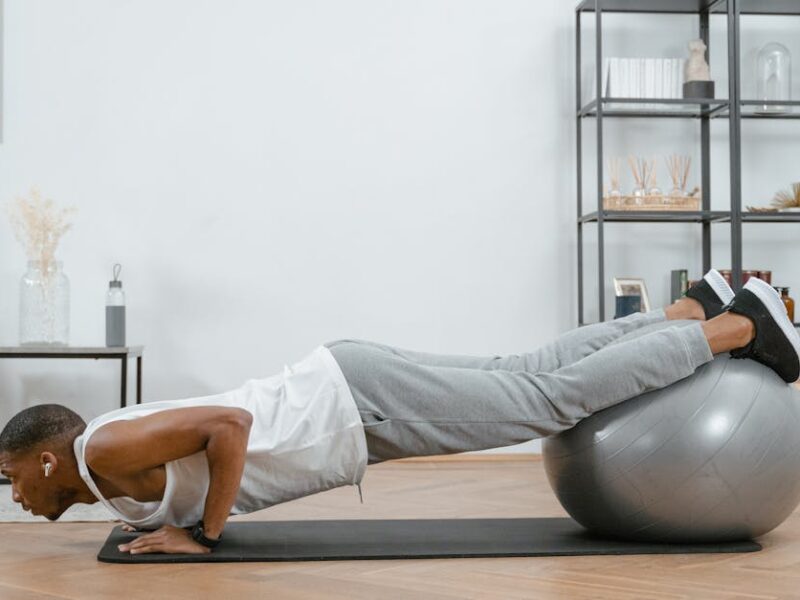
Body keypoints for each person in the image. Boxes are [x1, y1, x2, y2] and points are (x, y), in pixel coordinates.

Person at [0, 270, 797, 556]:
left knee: (543, 400)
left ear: (45, 459)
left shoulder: (100, 452)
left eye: (10, 481)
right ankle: (694, 308)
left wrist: (203, 535)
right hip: (350, 388)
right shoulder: (102, 463)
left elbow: (227, 429)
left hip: (355, 405)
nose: (12, 498)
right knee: (526, 373)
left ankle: (739, 329)